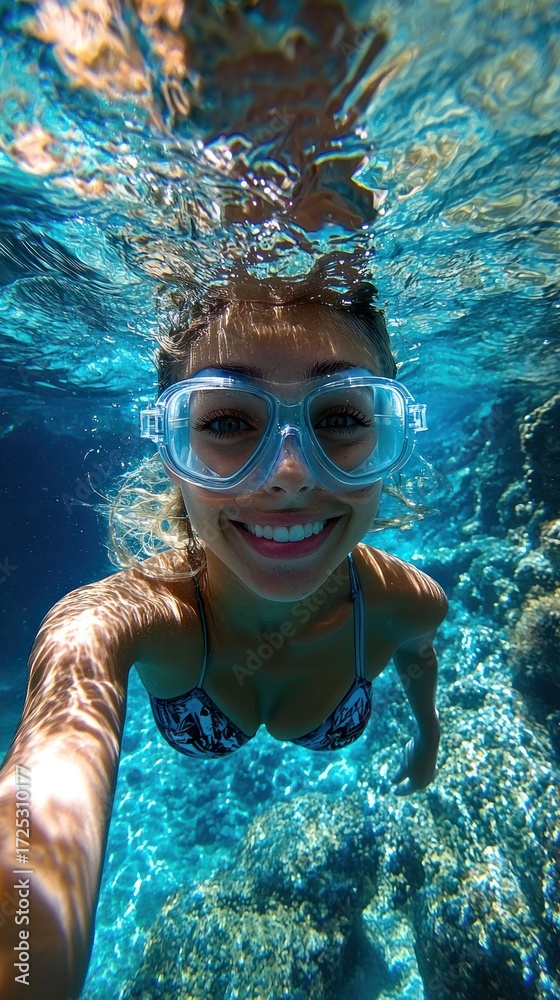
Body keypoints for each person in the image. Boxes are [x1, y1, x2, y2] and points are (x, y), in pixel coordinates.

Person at [0, 285, 447, 999]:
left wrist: (428, 734)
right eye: (230, 421)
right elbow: (36, 802)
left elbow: (421, 657)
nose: (288, 474)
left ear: (389, 434)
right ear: (173, 450)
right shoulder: (110, 622)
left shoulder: (407, 600)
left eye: (339, 416)